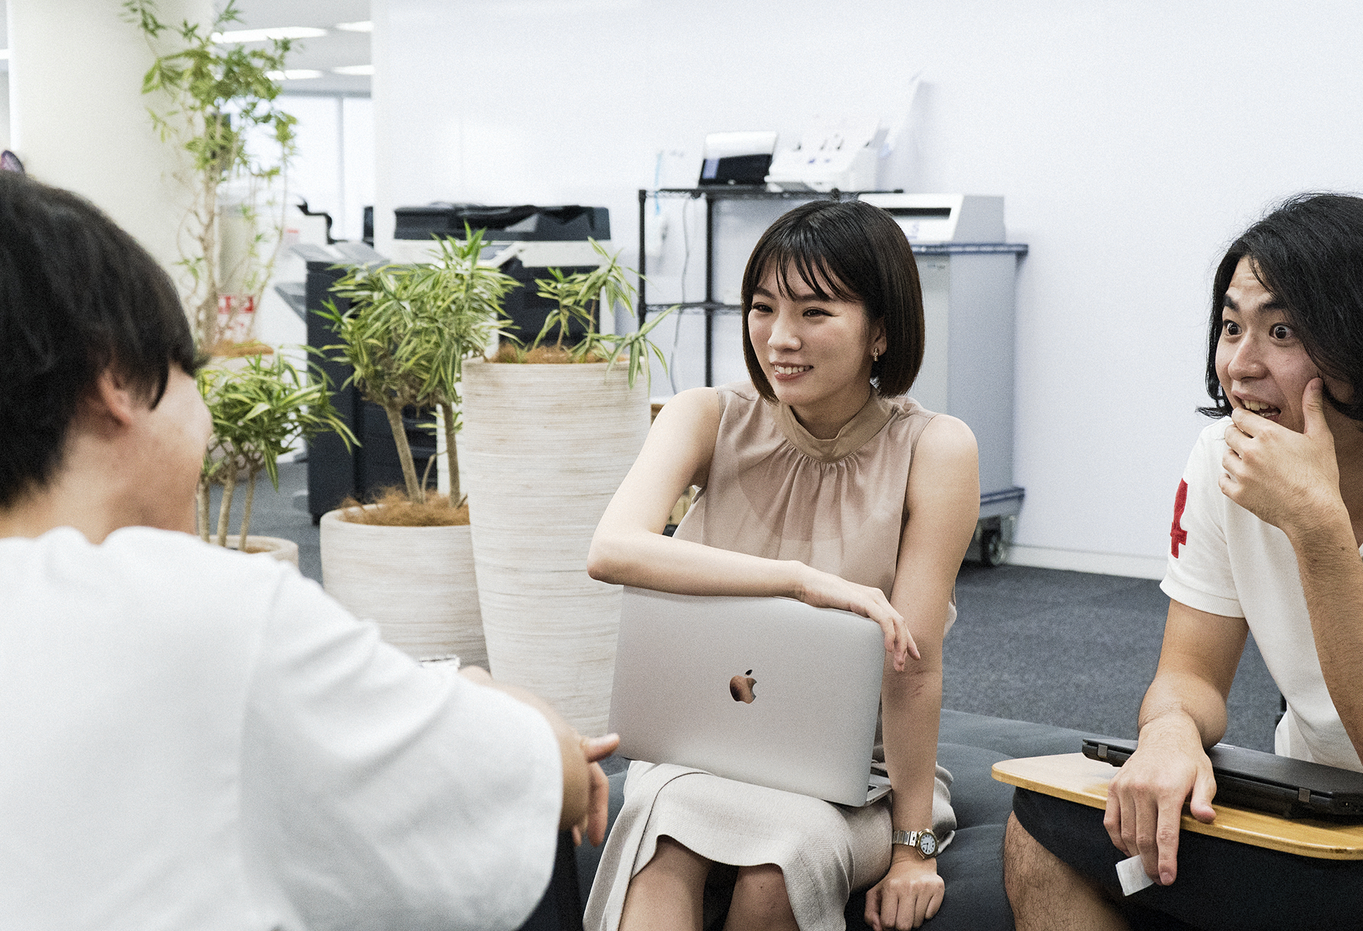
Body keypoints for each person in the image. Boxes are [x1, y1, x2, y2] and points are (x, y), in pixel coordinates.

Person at [0, 170, 615, 930]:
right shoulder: (195, 610)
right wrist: (481, 691)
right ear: (117, 381)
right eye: (192, 372)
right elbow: (548, 776)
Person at [1002, 192, 1363, 931]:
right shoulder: (1223, 459)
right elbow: (1191, 675)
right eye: (1232, 327)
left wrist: (1316, 525)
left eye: (1282, 331)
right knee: (1041, 838)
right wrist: (1170, 732)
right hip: (1314, 802)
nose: (1240, 365)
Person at [584, 199, 981, 931]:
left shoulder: (936, 448)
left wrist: (913, 850)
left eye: (814, 312)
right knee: (664, 841)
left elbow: (913, 667)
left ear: (881, 331)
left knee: (777, 867)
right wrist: (799, 582)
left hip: (857, 774)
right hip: (705, 745)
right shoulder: (706, 415)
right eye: (763, 308)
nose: (779, 338)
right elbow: (612, 550)